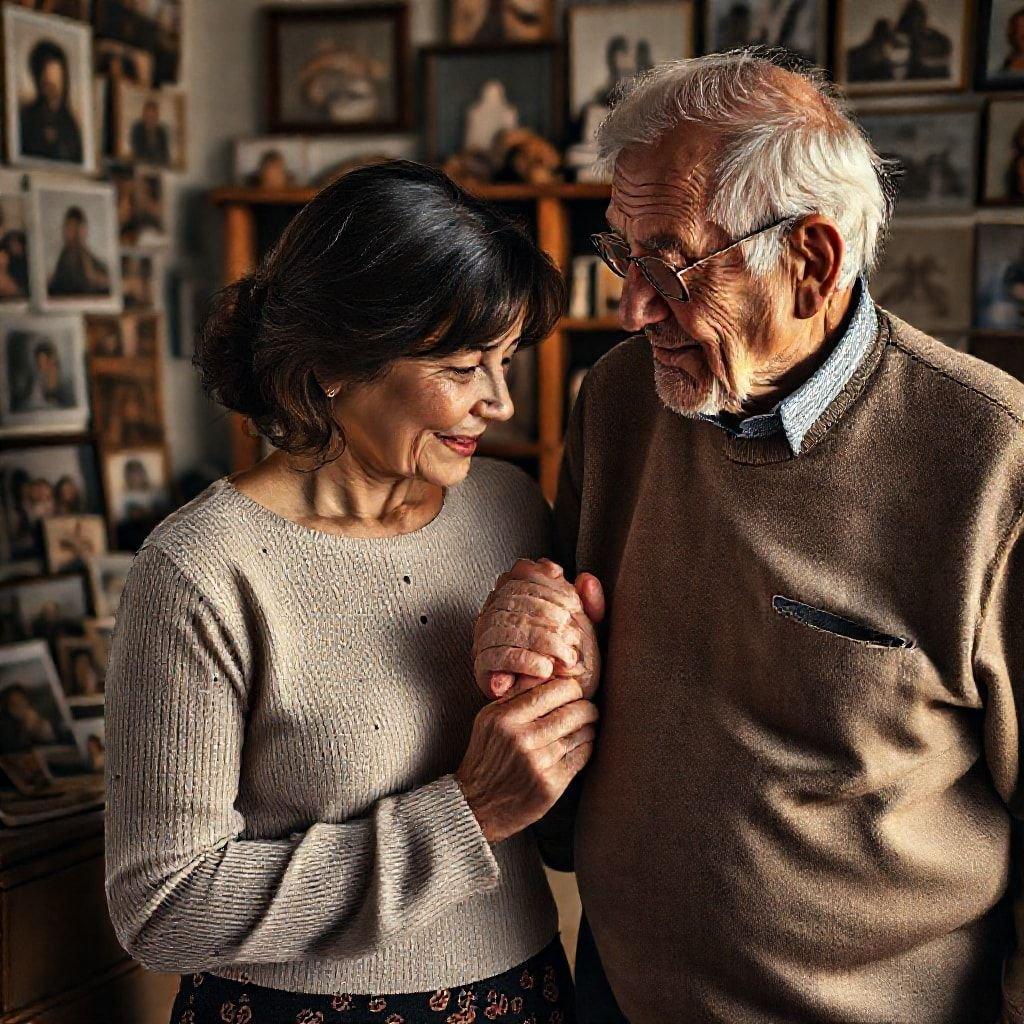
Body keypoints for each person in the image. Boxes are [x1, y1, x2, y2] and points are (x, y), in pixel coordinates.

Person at [475, 51, 1024, 1022]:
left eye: (669, 263)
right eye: (621, 255)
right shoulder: (616, 403)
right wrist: (531, 630)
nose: (631, 305)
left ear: (811, 260)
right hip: (618, 994)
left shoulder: (990, 460)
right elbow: (580, 684)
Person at [104, 160, 602, 1024]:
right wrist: (464, 815)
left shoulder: (512, 511)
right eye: (461, 367)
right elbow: (162, 911)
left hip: (524, 994)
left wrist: (575, 690)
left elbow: (558, 837)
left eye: (507, 360)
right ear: (337, 362)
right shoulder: (201, 571)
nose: (500, 402)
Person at [18, 39, 83, 164]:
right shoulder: (27, 117)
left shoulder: (70, 124)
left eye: (57, 84)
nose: (53, 94)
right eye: (47, 85)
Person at [48, 207, 110, 297]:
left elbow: (101, 280)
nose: (74, 235)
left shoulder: (91, 260)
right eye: (70, 229)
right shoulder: (57, 260)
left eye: (78, 229)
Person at [129, 98, 170, 166]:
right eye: (148, 116)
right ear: (143, 115)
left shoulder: (162, 131)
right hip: (141, 165)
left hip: (159, 166)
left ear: (157, 116)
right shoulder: (137, 128)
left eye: (153, 116)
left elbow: (165, 153)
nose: (151, 119)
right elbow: (137, 151)